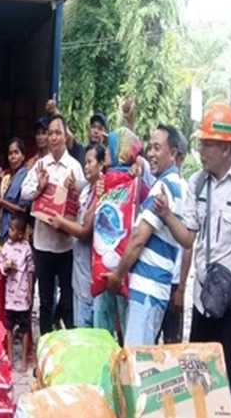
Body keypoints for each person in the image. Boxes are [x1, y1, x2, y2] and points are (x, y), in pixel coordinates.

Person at [154, 103, 231, 405]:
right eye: (202, 142)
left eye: (207, 143)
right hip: (202, 302)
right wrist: (168, 215)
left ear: (226, 147)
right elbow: (187, 239)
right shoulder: (197, 184)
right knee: (198, 386)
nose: (201, 149)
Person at [104, 124, 185, 346]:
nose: (150, 153)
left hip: (147, 289)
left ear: (173, 153)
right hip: (157, 287)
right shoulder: (178, 185)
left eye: (157, 148)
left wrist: (117, 275)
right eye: (150, 147)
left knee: (136, 364)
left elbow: (139, 238)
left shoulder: (162, 188)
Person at [21, 114, 85, 334]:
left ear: (66, 136)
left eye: (58, 132)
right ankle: (46, 347)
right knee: (45, 301)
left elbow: (85, 202)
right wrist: (39, 187)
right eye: (50, 133)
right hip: (43, 244)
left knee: (68, 299)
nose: (53, 137)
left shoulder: (75, 167)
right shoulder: (40, 165)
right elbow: (24, 192)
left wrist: (75, 189)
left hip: (67, 245)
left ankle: (67, 345)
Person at [92, 127, 146, 340]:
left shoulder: (137, 179)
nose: (105, 152)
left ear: (119, 151)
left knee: (104, 323)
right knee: (124, 318)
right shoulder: (104, 181)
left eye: (109, 147)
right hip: (122, 264)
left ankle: (107, 366)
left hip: (112, 264)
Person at [51, 143, 106, 328]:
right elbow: (77, 187)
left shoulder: (102, 192)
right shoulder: (89, 189)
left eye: (90, 162)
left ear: (101, 164)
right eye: (85, 162)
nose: (86, 166)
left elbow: (84, 231)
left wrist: (61, 223)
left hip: (92, 278)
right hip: (81, 274)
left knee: (90, 336)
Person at [0, 138, 30, 328]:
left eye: (16, 153)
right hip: (4, 240)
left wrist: (2, 202)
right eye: (10, 153)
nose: (13, 157)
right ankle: (3, 333)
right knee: (1, 290)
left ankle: (24, 338)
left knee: (20, 291)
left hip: (20, 243)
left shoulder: (26, 177)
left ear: (23, 155)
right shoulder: (6, 178)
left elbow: (23, 209)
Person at [157, 133, 190, 344]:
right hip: (159, 277)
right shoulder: (160, 185)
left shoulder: (186, 191)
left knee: (171, 346)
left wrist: (181, 289)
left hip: (174, 281)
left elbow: (188, 244)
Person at [0, 213, 34, 371]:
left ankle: (24, 359)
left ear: (20, 232)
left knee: (25, 329)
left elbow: (31, 270)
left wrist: (30, 291)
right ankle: (10, 358)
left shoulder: (26, 247)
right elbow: (1, 265)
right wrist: (6, 267)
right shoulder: (6, 246)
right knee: (9, 328)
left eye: (12, 229)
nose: (9, 231)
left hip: (23, 294)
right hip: (10, 296)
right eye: (9, 228)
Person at [45, 99, 107, 164]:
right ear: (88, 130)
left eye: (100, 128)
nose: (95, 131)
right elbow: (66, 132)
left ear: (105, 135)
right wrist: (55, 111)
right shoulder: (79, 151)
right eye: (93, 127)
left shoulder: (107, 158)